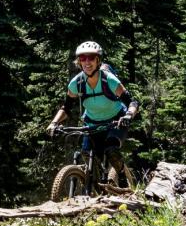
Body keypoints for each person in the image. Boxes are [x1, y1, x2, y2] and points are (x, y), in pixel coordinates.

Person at [47, 41, 140, 186]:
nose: (86, 62)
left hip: (115, 121)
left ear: (98, 60)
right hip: (91, 123)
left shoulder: (109, 79)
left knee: (111, 149)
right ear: (79, 62)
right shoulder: (76, 83)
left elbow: (132, 102)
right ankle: (96, 185)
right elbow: (66, 108)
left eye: (91, 58)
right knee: (86, 152)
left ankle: (122, 178)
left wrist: (128, 115)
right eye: (83, 58)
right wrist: (54, 123)